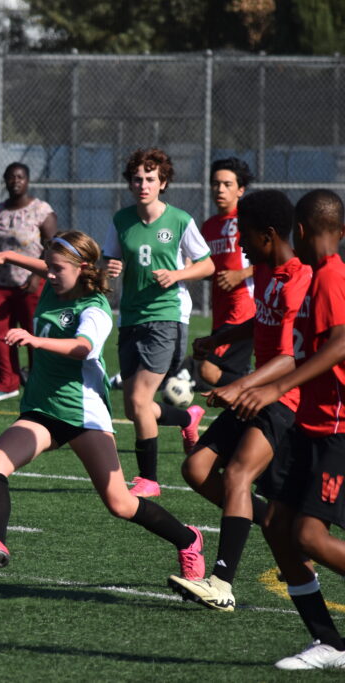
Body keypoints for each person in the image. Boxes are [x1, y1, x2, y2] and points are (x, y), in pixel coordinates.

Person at [0, 231, 204, 582]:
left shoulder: (94, 308)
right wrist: (7, 256)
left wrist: (34, 339)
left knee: (120, 503)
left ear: (81, 268)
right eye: (48, 268)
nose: (50, 275)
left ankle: (189, 540)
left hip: (83, 414)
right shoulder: (55, 284)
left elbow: (83, 347)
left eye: (57, 269)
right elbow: (45, 265)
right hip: (42, 410)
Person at [169, 190, 311, 612]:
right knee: (196, 468)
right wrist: (220, 338)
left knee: (237, 476)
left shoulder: (298, 279)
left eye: (245, 237)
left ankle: (221, 583)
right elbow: (260, 320)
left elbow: (292, 356)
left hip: (284, 396)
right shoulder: (267, 271)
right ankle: (268, 521)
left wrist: (241, 385)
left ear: (268, 235)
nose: (240, 247)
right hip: (256, 391)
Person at [233, 189, 345, 670]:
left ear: (298, 231)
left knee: (311, 537)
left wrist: (279, 388)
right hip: (307, 427)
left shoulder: (332, 278)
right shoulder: (318, 277)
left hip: (335, 429)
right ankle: (329, 643)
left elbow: (340, 346)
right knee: (278, 526)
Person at [103, 148, 214, 498]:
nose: (143, 184)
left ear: (163, 182)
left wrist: (178, 274)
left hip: (167, 316)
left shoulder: (180, 220)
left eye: (150, 178)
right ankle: (187, 418)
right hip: (131, 317)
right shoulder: (122, 220)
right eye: (137, 178)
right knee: (135, 406)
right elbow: (108, 262)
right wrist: (110, 269)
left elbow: (208, 265)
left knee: (137, 398)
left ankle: (149, 479)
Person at [0, 162, 57, 402]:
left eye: (20, 177)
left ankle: (39, 381)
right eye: (11, 177)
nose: (15, 181)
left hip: (30, 283)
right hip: (1, 283)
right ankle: (7, 383)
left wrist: (35, 276)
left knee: (34, 333)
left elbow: (52, 245)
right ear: (5, 180)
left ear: (28, 180)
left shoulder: (41, 210)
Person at [194, 157, 256, 390]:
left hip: (243, 310)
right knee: (227, 374)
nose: (220, 189)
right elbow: (206, 267)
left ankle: (264, 392)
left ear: (240, 189)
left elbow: (279, 260)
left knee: (208, 371)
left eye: (227, 184)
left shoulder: (248, 220)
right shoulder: (208, 226)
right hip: (220, 311)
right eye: (215, 183)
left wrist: (241, 274)